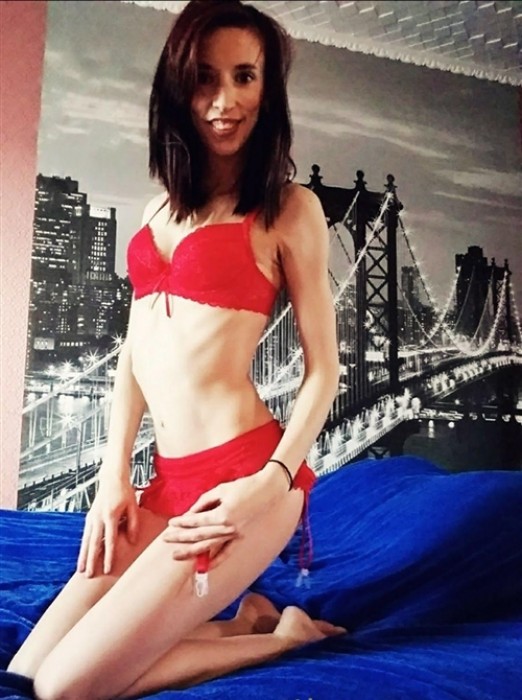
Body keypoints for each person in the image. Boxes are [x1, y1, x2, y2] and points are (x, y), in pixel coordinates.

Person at [8, 0, 341, 697]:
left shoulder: (289, 209)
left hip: (246, 477)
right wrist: (111, 479)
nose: (224, 102)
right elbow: (135, 354)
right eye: (205, 79)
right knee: (27, 670)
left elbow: (323, 372)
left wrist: (270, 483)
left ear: (268, 89)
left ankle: (283, 638)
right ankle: (246, 621)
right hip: (164, 481)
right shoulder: (158, 208)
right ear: (178, 89)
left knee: (63, 688)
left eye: (245, 77)